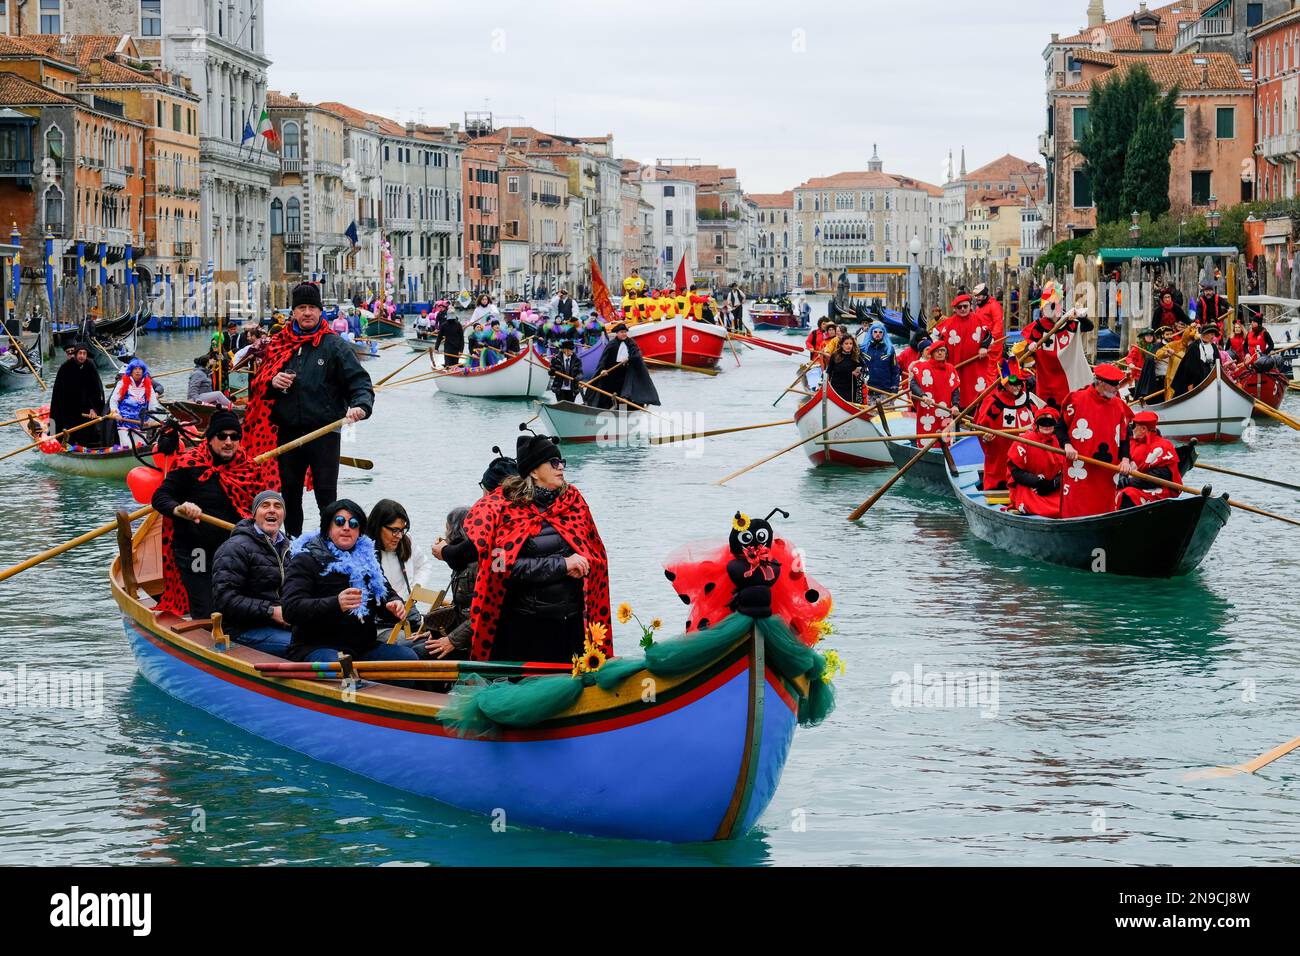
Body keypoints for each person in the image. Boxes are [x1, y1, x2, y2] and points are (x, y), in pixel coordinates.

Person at [463, 432, 611, 663]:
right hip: (526, 629)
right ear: (533, 470)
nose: (561, 467)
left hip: (570, 625)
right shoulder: (506, 509)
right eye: (553, 462)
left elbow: (595, 553)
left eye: (562, 462)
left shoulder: (573, 503)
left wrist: (585, 564)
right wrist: (562, 565)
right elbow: (499, 566)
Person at [251, 282, 374, 537]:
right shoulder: (279, 343)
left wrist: (360, 406)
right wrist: (273, 382)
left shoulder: (335, 346)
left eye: (312, 308)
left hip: (324, 433)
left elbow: (359, 382)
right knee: (290, 496)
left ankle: (326, 547)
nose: (307, 313)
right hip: (289, 434)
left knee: (326, 498)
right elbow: (260, 386)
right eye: (301, 308)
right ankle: (292, 545)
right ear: (293, 313)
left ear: (320, 312)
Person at [152, 410, 263, 619]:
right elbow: (160, 497)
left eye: (234, 437)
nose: (228, 442)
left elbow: (261, 508)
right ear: (210, 439)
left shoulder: (247, 467)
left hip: (234, 552)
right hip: (197, 551)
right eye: (222, 436)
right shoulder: (189, 464)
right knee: (207, 611)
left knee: (245, 607)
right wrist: (180, 508)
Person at [281, 499, 417, 664]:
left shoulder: (369, 560)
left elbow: (385, 594)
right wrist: (335, 603)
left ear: (359, 531)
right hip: (316, 647)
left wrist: (394, 604)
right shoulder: (305, 559)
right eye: (339, 522)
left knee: (408, 658)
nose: (346, 527)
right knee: (337, 664)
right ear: (327, 527)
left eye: (353, 524)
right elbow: (291, 609)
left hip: (362, 648)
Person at [211, 490, 293, 655]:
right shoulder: (234, 547)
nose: (272, 510)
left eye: (277, 506)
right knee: (304, 645)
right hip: (242, 629)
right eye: (265, 505)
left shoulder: (289, 547)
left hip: (283, 624)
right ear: (254, 514)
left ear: (283, 515)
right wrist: (271, 612)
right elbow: (224, 599)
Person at [1059, 364, 1134, 518]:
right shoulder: (1077, 399)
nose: (1117, 387)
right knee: (1076, 506)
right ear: (1100, 382)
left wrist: (1125, 459)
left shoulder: (1119, 406)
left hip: (1107, 470)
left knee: (1104, 507)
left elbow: (1125, 436)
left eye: (1118, 383)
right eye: (1114, 384)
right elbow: (1060, 427)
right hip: (1079, 466)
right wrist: (1067, 445)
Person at [1017, 281, 1092, 409]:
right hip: (1047, 378)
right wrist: (1029, 347)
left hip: (1068, 376)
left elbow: (1089, 326)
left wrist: (1080, 316)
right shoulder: (1038, 327)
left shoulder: (1069, 322)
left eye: (1056, 305)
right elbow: (1024, 353)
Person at [367, 499, 433, 634]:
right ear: (378, 526)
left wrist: (415, 591)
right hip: (380, 621)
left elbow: (424, 565)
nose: (399, 536)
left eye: (403, 530)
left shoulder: (406, 541)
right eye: (395, 530)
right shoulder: (364, 551)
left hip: (408, 613)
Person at [422, 506, 474, 661]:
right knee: (416, 646)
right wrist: (439, 629)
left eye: (447, 528)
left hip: (468, 641)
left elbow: (479, 613)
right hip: (460, 633)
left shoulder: (474, 566)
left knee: (419, 653)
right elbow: (462, 606)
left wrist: (451, 640)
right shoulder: (461, 563)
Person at [973, 373, 1038, 490]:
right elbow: (981, 427)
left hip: (1027, 451)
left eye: (1019, 383)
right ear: (1004, 384)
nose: (1017, 387)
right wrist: (985, 437)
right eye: (1013, 384)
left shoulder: (1031, 399)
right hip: (1001, 450)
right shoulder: (993, 402)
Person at [932, 293, 996, 405]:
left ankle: (976, 413)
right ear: (955, 309)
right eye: (959, 307)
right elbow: (937, 340)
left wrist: (983, 347)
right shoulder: (948, 323)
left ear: (970, 306)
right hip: (955, 365)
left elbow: (988, 335)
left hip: (975, 365)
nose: (962, 309)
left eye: (965, 306)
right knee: (955, 390)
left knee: (977, 393)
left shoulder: (978, 319)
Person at [1116, 411, 1181, 510]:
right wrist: (1122, 478)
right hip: (1134, 483)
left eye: (1134, 426)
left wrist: (1129, 482)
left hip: (1156, 487)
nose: (1132, 429)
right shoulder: (1131, 443)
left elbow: (1161, 476)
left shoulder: (1164, 446)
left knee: (1127, 494)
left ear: (1143, 429)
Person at [587, 323, 660, 409]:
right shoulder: (612, 344)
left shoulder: (631, 342)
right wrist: (602, 369)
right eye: (622, 332)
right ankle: (606, 410)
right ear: (617, 333)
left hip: (626, 374)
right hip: (612, 374)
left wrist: (629, 358)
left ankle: (623, 413)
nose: (624, 334)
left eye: (625, 332)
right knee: (608, 392)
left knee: (625, 394)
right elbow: (603, 359)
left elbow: (637, 354)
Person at [49, 342, 108, 447]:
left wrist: (93, 408)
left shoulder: (90, 366)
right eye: (80, 353)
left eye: (84, 353)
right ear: (76, 354)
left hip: (86, 410)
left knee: (91, 432)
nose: (82, 356)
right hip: (69, 409)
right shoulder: (65, 368)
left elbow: (96, 390)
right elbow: (59, 394)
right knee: (67, 430)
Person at [1008, 407, 1064, 517]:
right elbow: (1016, 473)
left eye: (1050, 422)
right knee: (1047, 510)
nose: (1046, 425)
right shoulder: (1024, 440)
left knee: (1067, 506)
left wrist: (1053, 484)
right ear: (1037, 424)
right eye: (1042, 422)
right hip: (1030, 486)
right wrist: (1038, 482)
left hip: (1054, 488)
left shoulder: (1062, 443)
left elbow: (1067, 471)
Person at [909, 340, 960, 439]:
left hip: (945, 410)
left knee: (946, 438)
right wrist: (922, 395)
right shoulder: (921, 367)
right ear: (932, 353)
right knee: (927, 436)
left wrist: (955, 405)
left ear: (946, 353)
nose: (940, 353)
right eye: (937, 351)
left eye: (942, 350)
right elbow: (913, 384)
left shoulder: (951, 368)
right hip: (927, 407)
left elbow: (955, 389)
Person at [109, 358, 163, 447]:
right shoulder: (122, 383)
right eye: (135, 369)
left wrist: (151, 420)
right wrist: (115, 413)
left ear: (143, 371)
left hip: (141, 423)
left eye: (140, 369)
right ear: (131, 371)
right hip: (124, 421)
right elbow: (114, 400)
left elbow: (153, 405)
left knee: (140, 446)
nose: (137, 371)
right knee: (127, 446)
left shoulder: (148, 385)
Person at [1155, 321, 1199, 400]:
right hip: (1173, 382)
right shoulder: (1174, 345)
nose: (1191, 344)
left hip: (1190, 383)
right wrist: (1166, 353)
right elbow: (1158, 354)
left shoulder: (1198, 347)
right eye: (1190, 341)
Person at [862, 321, 900, 398]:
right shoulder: (863, 349)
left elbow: (895, 371)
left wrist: (894, 389)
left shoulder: (890, 350)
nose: (878, 334)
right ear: (871, 333)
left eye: (880, 332)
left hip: (885, 391)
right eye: (875, 332)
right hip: (867, 390)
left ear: (883, 334)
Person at [826, 334, 866, 403]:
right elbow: (829, 372)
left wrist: (858, 371)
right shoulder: (835, 356)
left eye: (851, 344)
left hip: (851, 389)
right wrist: (826, 387)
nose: (849, 346)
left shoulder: (856, 356)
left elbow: (865, 369)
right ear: (841, 345)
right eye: (846, 343)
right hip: (836, 388)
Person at [971, 282, 1005, 357]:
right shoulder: (978, 307)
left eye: (978, 296)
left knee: (992, 365)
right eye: (975, 296)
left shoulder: (994, 305)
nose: (976, 298)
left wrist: (992, 338)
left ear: (984, 295)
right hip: (981, 340)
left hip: (993, 342)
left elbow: (998, 323)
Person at [549, 338, 585, 402]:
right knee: (561, 405)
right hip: (560, 388)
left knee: (570, 405)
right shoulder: (556, 359)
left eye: (571, 350)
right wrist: (552, 370)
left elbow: (580, 373)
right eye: (568, 350)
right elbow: (551, 373)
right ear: (564, 350)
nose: (570, 351)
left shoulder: (577, 360)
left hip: (572, 389)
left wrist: (577, 378)